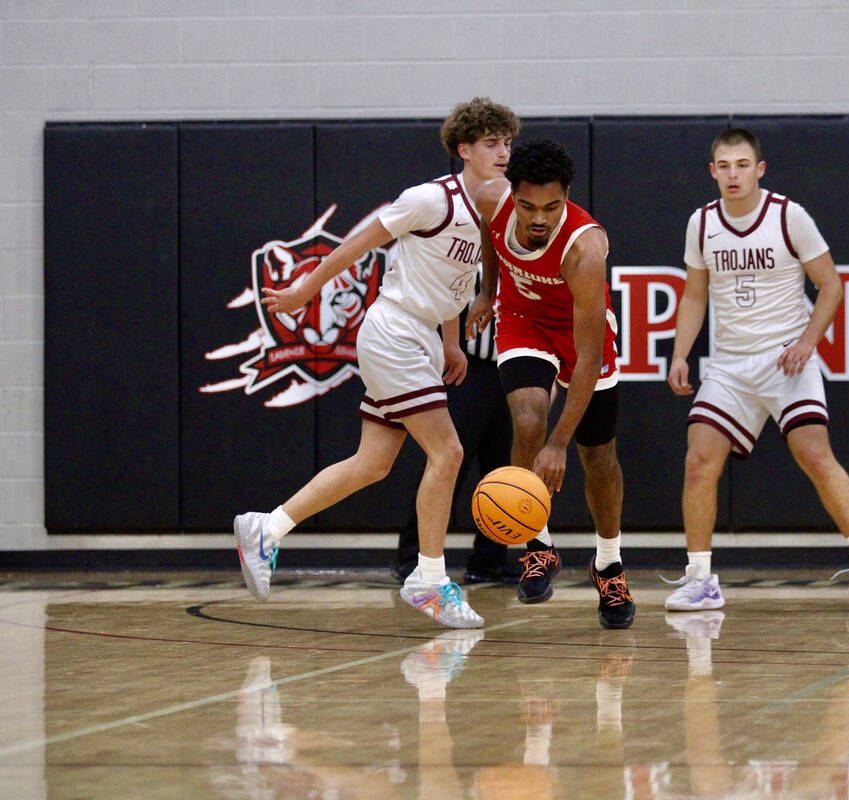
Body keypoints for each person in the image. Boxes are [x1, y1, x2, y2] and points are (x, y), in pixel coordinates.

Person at [232, 97, 521, 629]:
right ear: (465, 149)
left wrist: (453, 342)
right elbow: (357, 242)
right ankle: (429, 580)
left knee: (372, 464)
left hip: (425, 337)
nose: (503, 152)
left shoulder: (487, 213)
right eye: (491, 143)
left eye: (507, 143)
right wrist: (305, 289)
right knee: (449, 451)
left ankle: (266, 529)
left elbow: (453, 284)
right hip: (394, 331)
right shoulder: (430, 200)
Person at [665, 127, 849, 611]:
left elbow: (830, 286)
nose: (733, 174)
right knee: (697, 463)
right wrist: (681, 353)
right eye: (724, 166)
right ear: (712, 171)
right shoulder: (701, 223)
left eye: (742, 165)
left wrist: (807, 343)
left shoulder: (789, 216)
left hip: (786, 357)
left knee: (814, 454)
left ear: (759, 168)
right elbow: (693, 294)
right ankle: (701, 579)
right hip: (729, 365)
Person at [465, 138, 636, 630]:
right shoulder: (491, 200)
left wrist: (560, 443)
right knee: (527, 417)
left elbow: (586, 358)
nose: (538, 218)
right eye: (528, 206)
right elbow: (492, 243)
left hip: (580, 336)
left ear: (567, 198)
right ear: (511, 194)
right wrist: (487, 294)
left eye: (551, 207)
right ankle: (537, 544)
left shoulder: (584, 248)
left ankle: (609, 566)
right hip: (521, 319)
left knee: (597, 458)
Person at [391, 271, 520, 587]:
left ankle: (490, 559)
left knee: (501, 471)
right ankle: (413, 557)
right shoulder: (471, 240)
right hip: (470, 367)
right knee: (447, 463)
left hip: (515, 366)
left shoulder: (527, 245)